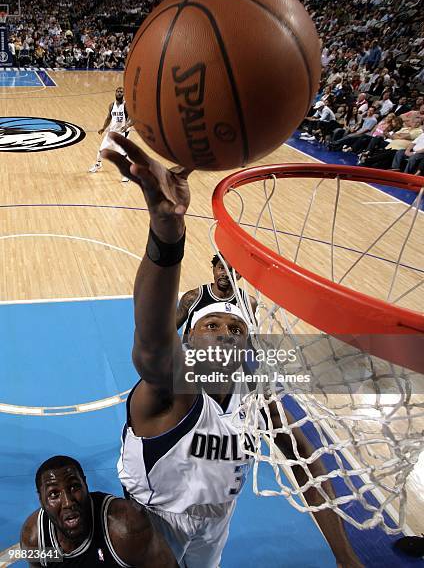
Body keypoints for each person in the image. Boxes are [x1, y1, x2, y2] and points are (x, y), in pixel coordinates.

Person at [101, 133, 363, 568]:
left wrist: (346, 556)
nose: (226, 332)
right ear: (188, 338)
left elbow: (310, 466)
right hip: (149, 527)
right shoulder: (171, 392)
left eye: (236, 328)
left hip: (214, 529)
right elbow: (150, 345)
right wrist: (166, 234)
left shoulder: (257, 397)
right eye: (212, 324)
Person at [20, 455, 176, 567]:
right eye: (54, 494)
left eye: (74, 487)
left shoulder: (125, 529)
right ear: (41, 500)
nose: (68, 502)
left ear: (86, 485)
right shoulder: (34, 540)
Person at [177, 253, 257, 342]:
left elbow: (254, 340)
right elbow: (170, 329)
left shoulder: (248, 303)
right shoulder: (193, 298)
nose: (226, 274)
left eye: (232, 271)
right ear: (214, 269)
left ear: (240, 275)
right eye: (222, 268)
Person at [88, 87, 132, 182]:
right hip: (111, 132)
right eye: (118, 91)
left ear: (124, 94)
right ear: (115, 93)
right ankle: (98, 164)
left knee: (122, 155)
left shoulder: (126, 106)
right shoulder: (112, 105)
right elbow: (108, 118)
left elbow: (133, 118)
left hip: (122, 133)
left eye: (121, 92)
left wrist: (126, 126)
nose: (119, 93)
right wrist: (103, 128)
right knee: (101, 150)